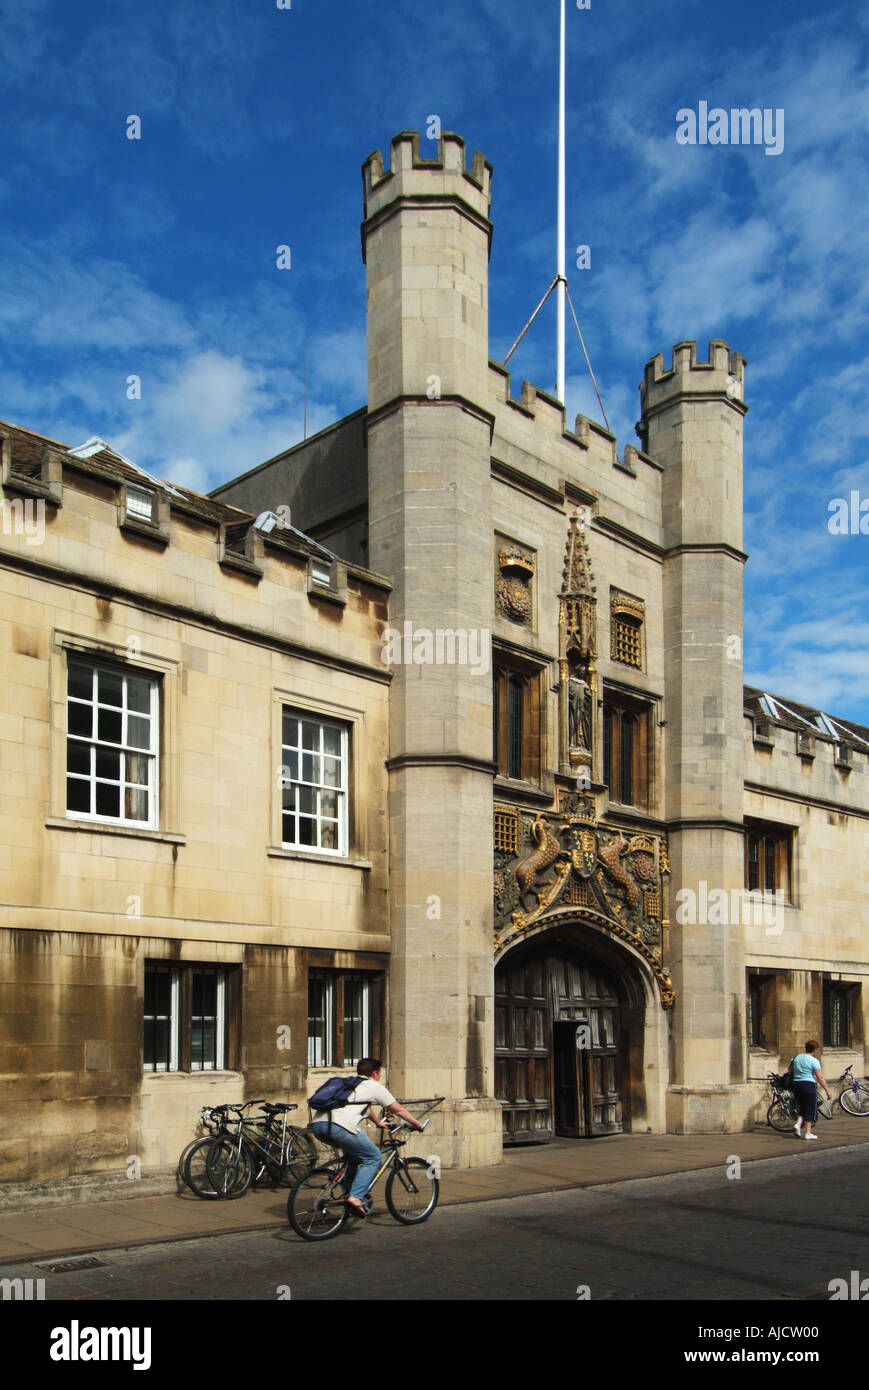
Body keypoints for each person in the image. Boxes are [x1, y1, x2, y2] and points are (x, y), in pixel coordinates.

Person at [309, 1057, 424, 1217]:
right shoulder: (373, 1086)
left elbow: (365, 1107)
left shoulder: (350, 1084)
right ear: (375, 1073)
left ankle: (348, 1194)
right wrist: (417, 1124)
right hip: (338, 1127)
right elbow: (399, 1110)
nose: (380, 1076)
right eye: (380, 1073)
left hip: (318, 1126)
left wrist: (378, 1122)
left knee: (353, 1158)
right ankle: (355, 1197)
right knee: (373, 1157)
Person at [790, 1040, 831, 1140]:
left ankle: (798, 1124)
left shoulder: (796, 1058)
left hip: (796, 1084)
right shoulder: (814, 1061)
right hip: (809, 1085)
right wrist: (827, 1090)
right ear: (815, 1049)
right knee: (809, 1108)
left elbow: (790, 1070)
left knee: (802, 1106)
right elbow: (820, 1077)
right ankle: (808, 1133)